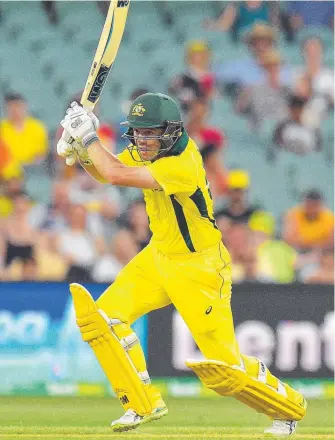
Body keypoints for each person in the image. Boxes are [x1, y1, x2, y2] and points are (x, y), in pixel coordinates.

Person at [57, 93, 306, 435]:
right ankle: (142, 403)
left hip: (200, 268)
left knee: (224, 368)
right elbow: (105, 173)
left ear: (171, 132)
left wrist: (87, 138)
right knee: (101, 320)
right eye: (138, 133)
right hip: (158, 256)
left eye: (150, 133)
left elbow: (114, 174)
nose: (142, 140)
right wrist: (82, 153)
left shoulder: (181, 163)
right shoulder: (150, 149)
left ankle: (288, 407)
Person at [0, 93, 48, 168]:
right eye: (11, 107)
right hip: (6, 172)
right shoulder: (2, 128)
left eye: (18, 106)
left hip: (31, 170)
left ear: (25, 106)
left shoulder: (37, 127)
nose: (15, 110)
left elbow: (41, 155)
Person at [168, 40, 214, 113]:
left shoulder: (213, 79)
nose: (199, 60)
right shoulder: (181, 79)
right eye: (195, 56)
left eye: (202, 56)